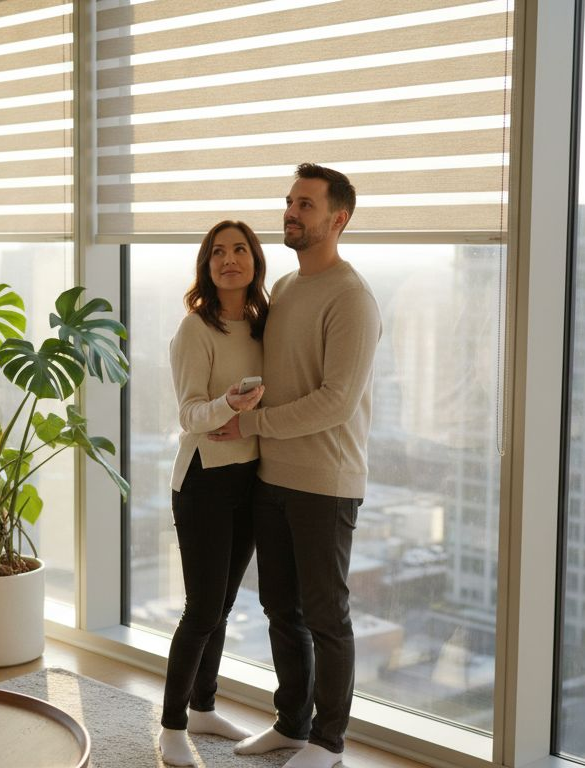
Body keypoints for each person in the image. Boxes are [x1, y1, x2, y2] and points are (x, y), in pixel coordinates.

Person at [209, 163, 381, 768]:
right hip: (271, 476)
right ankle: (291, 724)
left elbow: (335, 402)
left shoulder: (352, 298)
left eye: (305, 205)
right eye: (289, 202)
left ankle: (329, 744)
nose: (291, 213)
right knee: (282, 609)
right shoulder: (283, 289)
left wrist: (250, 424)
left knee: (327, 617)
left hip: (324, 484)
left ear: (339, 218)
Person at [157, 220, 271, 766]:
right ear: (206, 264)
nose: (230, 259)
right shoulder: (194, 330)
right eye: (219, 252)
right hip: (203, 480)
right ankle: (172, 725)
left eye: (240, 249)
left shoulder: (262, 324)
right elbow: (189, 414)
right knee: (202, 609)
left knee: (222, 606)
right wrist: (229, 403)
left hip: (250, 479)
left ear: (255, 259)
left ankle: (203, 706)